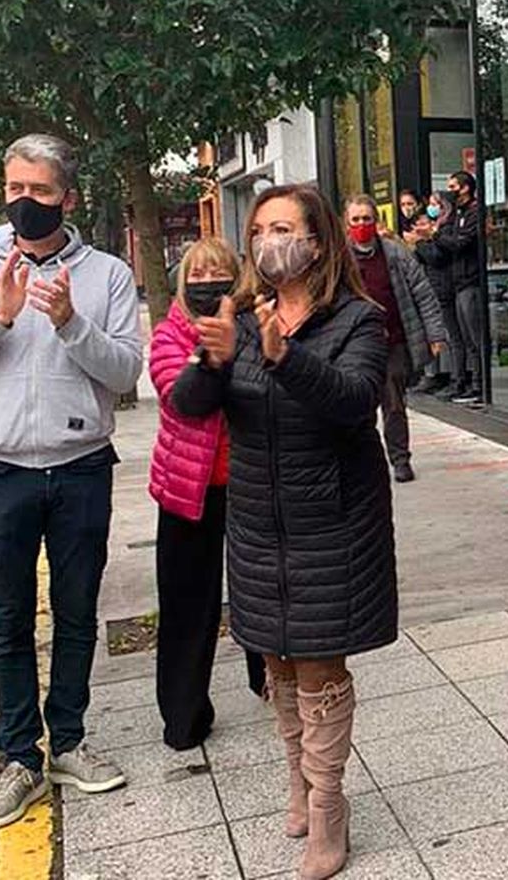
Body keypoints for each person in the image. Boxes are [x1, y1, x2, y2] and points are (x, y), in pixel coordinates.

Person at [0, 133, 142, 829]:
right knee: (7, 617)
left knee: (77, 614)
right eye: (15, 189)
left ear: (67, 199)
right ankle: (20, 757)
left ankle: (69, 742)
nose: (25, 203)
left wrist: (71, 323)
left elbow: (126, 372)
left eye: (40, 192)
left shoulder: (106, 274)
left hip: (79, 467)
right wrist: (0, 317)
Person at [171, 183, 394, 880]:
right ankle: (298, 781)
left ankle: (329, 808)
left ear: (318, 242)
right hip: (259, 521)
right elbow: (185, 406)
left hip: (333, 520)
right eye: (261, 228)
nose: (270, 241)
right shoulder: (237, 316)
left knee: (322, 666)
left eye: (285, 228)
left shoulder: (357, 318)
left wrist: (284, 356)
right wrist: (211, 361)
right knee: (278, 663)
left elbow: (356, 403)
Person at [147, 236, 265, 750]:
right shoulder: (168, 335)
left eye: (218, 272)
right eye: (196, 274)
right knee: (187, 605)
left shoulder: (257, 325)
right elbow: (185, 401)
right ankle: (184, 715)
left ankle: (271, 682)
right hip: (187, 491)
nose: (207, 281)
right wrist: (211, 353)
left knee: (260, 593)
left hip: (251, 484)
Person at [345, 193, 448, 482]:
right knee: (357, 408)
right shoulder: (339, 259)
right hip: (354, 347)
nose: (362, 224)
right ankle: (362, 464)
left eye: (366, 218)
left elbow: (423, 293)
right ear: (347, 223)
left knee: (393, 404)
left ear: (375, 220)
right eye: (356, 219)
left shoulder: (395, 253)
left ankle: (400, 459)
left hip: (392, 342)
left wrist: (435, 333)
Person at [434, 171, 485, 405]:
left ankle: (479, 384)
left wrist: (435, 235)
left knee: (475, 337)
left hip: (470, 282)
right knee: (463, 337)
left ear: (465, 188)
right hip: (458, 282)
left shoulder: (474, 213)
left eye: (454, 187)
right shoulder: (458, 214)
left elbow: (460, 243)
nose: (450, 191)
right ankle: (470, 383)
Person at [406, 192, 459, 394]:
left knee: (449, 336)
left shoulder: (442, 233)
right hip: (431, 288)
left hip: (443, 288)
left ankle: (450, 376)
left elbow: (437, 258)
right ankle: (433, 374)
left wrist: (421, 241)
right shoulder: (431, 236)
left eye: (436, 204)